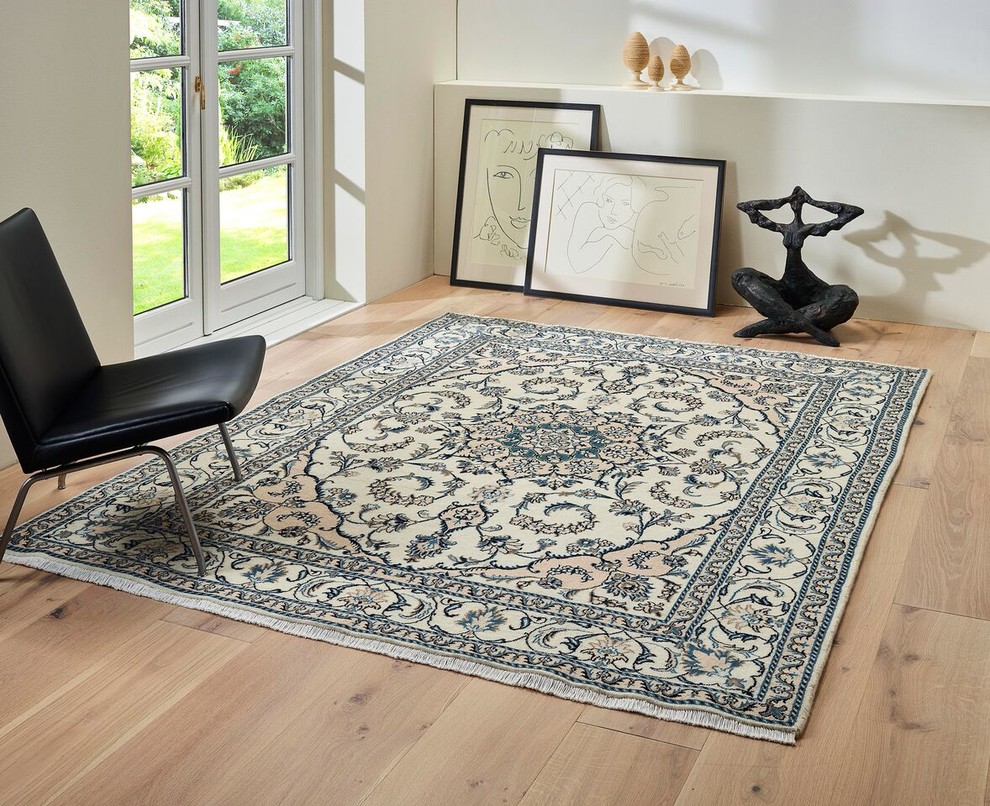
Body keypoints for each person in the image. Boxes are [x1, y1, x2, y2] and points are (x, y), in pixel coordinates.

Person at [732, 186, 864, 347]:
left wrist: (814, 202)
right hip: (783, 298)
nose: (797, 202)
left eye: (800, 198)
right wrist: (782, 201)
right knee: (740, 275)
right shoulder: (781, 227)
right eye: (794, 199)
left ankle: (768, 326)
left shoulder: (811, 228)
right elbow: (746, 206)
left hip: (817, 302)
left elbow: (853, 211)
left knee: (847, 296)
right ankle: (801, 323)